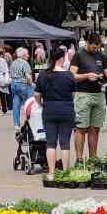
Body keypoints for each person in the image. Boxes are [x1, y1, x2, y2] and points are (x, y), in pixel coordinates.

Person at [35, 45, 76, 176]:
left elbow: (36, 95)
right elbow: (73, 94)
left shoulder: (43, 74)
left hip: (49, 109)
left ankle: (51, 173)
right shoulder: (69, 75)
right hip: (66, 110)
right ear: (61, 58)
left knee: (51, 143)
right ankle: (65, 172)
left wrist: (41, 104)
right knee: (65, 143)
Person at [71, 32, 107, 159]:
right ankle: (79, 159)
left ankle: (93, 157)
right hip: (83, 95)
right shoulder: (79, 55)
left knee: (95, 129)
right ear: (88, 43)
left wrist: (103, 78)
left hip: (98, 94)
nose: (95, 50)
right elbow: (72, 76)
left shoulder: (102, 56)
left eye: (97, 47)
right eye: (93, 47)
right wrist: (87, 76)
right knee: (80, 129)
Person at [8, 46, 34, 129]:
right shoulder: (25, 63)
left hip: (13, 85)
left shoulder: (13, 63)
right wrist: (32, 84)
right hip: (23, 85)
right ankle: (30, 121)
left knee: (16, 104)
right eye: (27, 55)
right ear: (23, 55)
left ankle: (16, 124)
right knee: (30, 102)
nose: (28, 56)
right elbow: (28, 77)